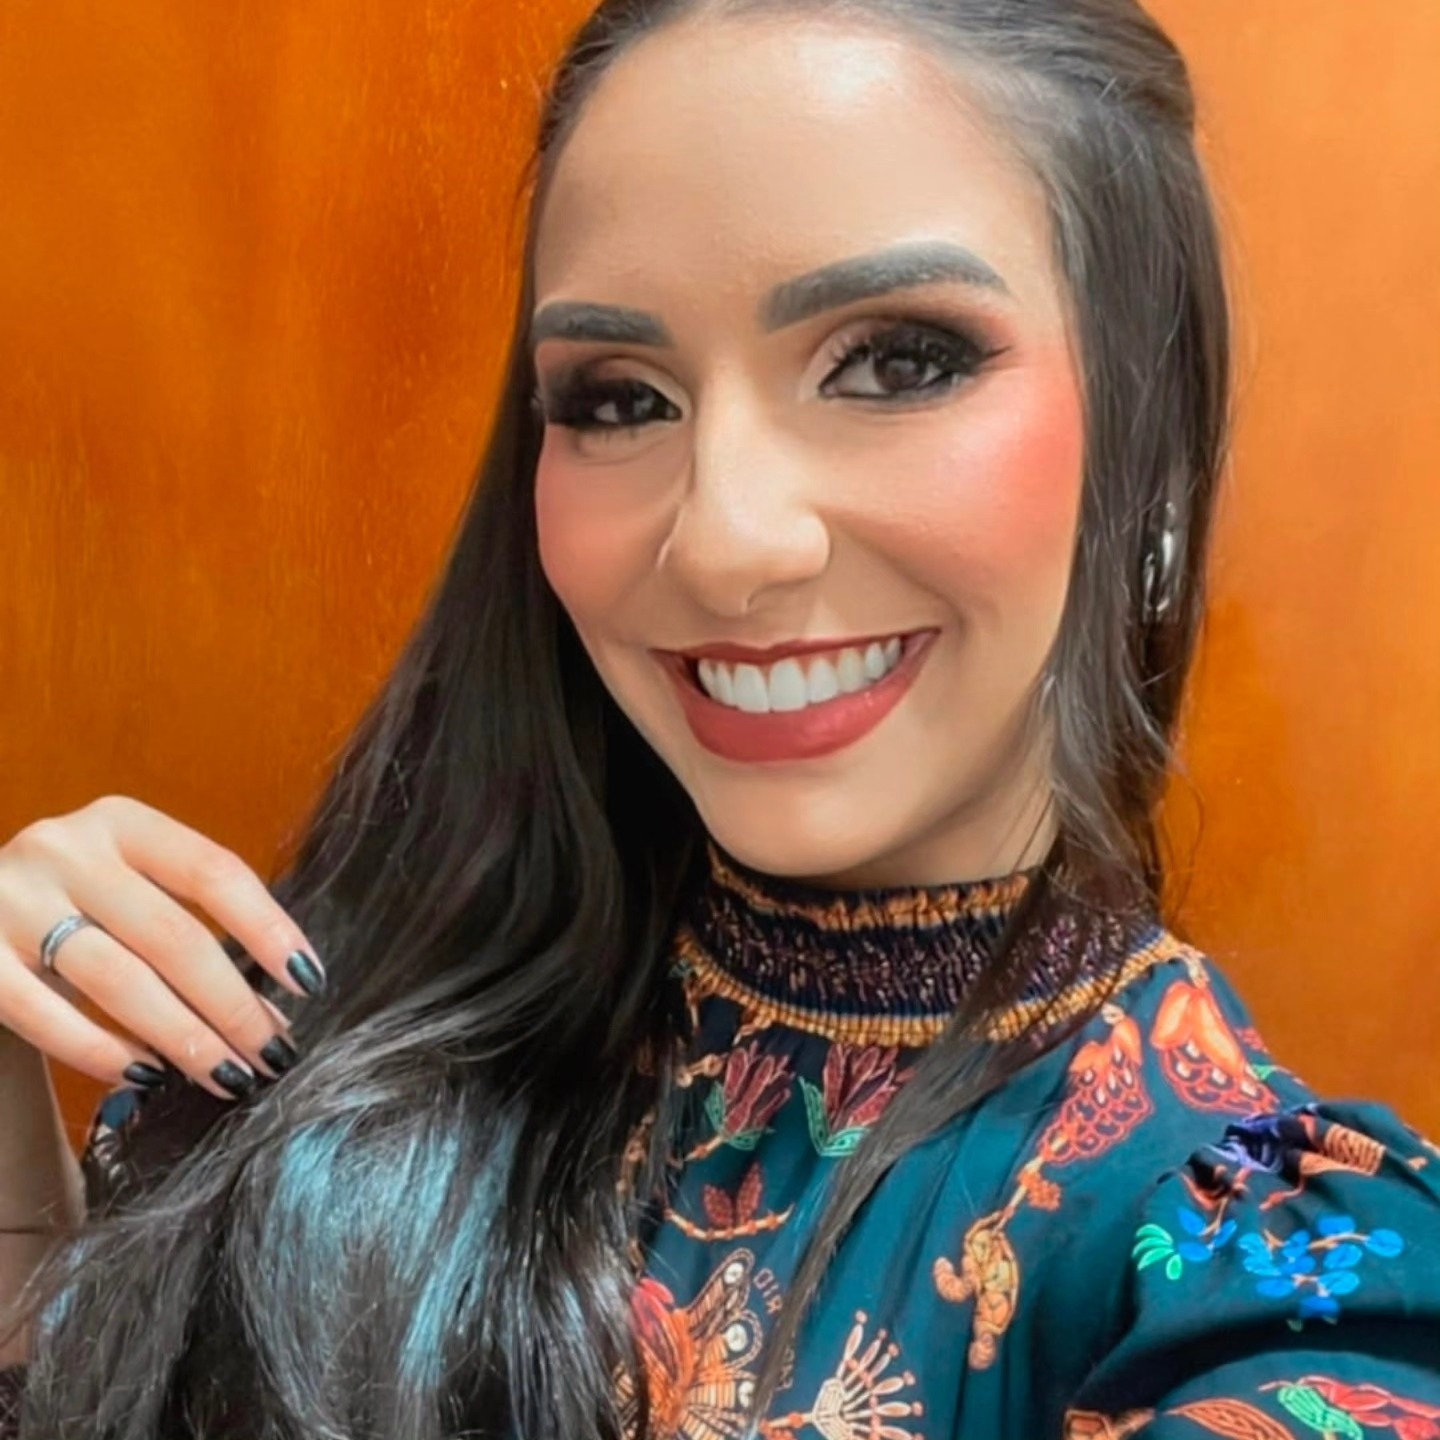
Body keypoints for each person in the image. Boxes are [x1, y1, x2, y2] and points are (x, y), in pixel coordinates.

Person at [3, 0, 1438, 1435]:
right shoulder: (325, 1037)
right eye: (621, 398)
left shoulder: (1261, 1270)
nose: (723, 543)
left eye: (898, 361)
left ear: (1153, 440)